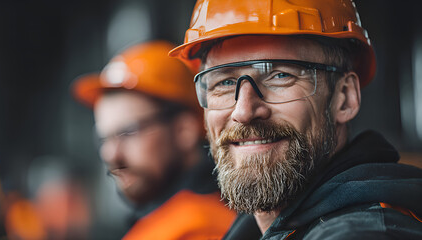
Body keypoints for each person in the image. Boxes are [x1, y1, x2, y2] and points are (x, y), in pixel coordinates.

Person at [169, 0, 422, 239]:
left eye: (280, 75)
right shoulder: (264, 227)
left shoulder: (364, 233)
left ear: (344, 98)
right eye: (224, 82)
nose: (243, 112)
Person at [72, 40, 236, 239]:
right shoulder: (163, 221)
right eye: (104, 138)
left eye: (128, 132)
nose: (110, 154)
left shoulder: (200, 229)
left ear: (183, 130)